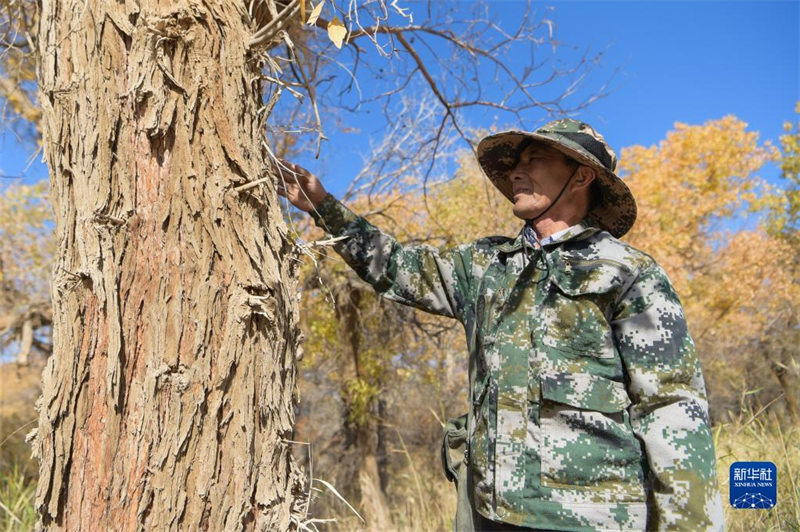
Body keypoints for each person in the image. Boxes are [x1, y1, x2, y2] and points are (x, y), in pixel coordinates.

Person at [277, 119, 724, 531]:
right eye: (514, 163)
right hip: (493, 513)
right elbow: (394, 267)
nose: (516, 171)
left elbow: (671, 409)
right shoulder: (485, 266)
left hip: (592, 517)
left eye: (535, 160)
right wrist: (320, 204)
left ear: (582, 175)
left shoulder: (626, 271)